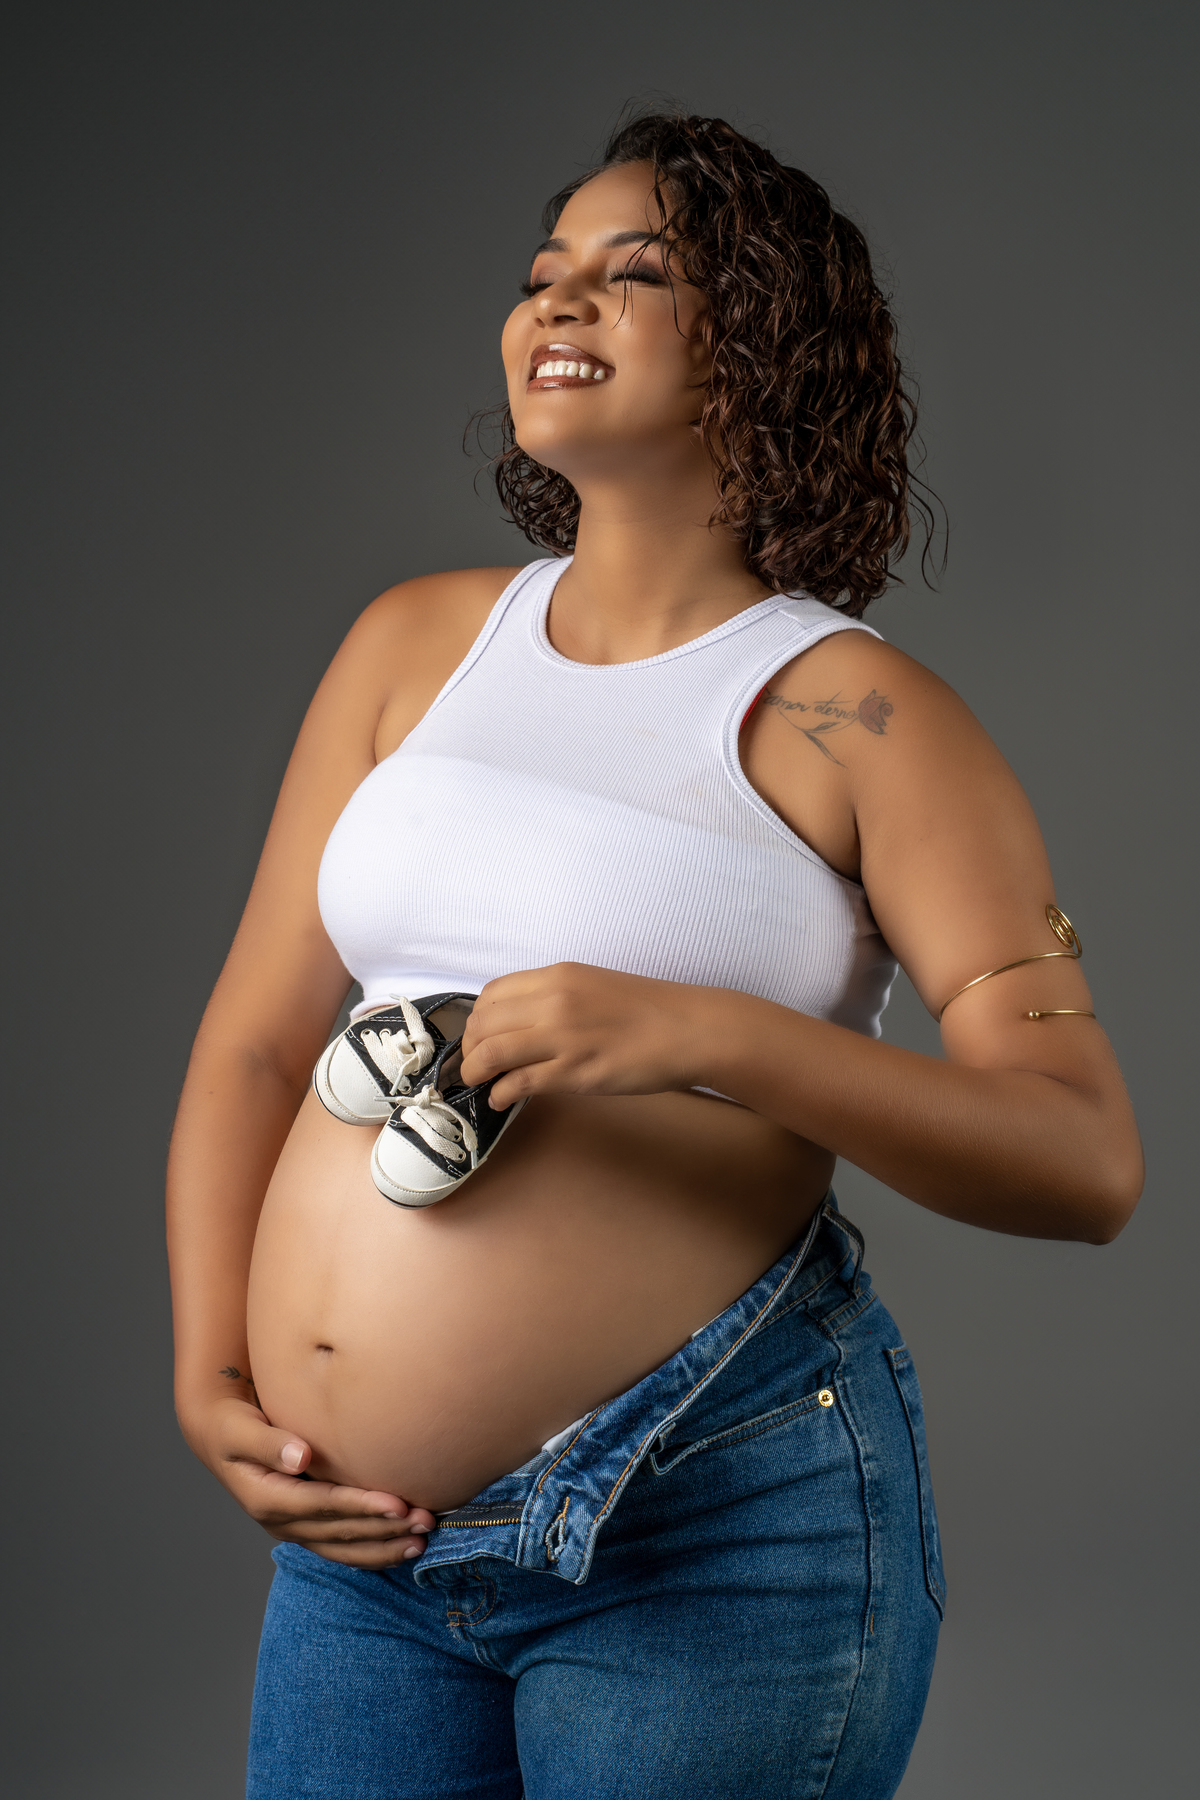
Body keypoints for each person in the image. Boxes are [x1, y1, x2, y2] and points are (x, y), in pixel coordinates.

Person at [166, 112, 1143, 1799]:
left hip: (705, 1530)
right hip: (364, 1555)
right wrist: (208, 1369)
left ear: (761, 340)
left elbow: (1084, 1159)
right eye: (543, 272)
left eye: (634, 274)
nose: (558, 302)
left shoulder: (862, 717)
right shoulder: (412, 644)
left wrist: (703, 1035)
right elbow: (257, 1041)